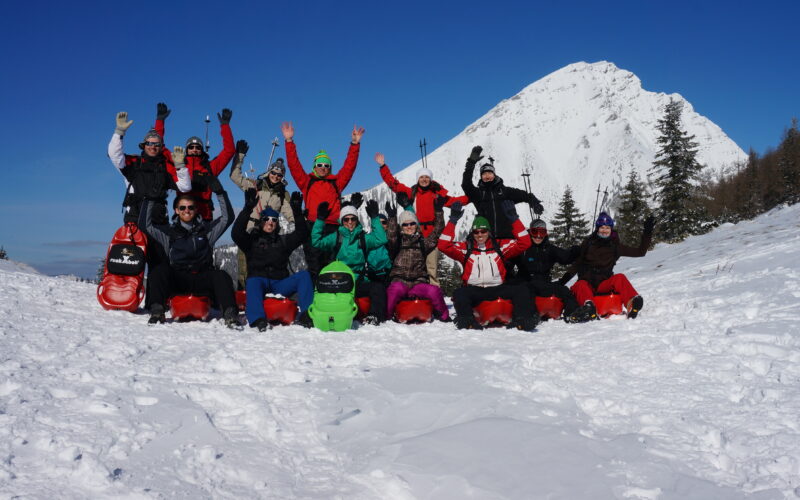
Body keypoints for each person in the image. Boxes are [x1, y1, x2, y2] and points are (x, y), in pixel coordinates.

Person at [108, 103, 191, 308]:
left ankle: (155, 302)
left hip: (157, 223)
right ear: (143, 145)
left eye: (157, 144)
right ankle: (123, 297)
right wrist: (119, 133)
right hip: (134, 221)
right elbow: (114, 156)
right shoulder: (133, 164)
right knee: (130, 262)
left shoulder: (165, 169)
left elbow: (184, 187)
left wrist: (180, 166)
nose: (153, 146)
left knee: (158, 264)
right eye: (150, 143)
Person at [139, 160, 237, 326]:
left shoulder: (206, 231)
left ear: (195, 210)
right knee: (158, 271)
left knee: (221, 275)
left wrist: (220, 192)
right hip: (178, 279)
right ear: (176, 210)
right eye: (182, 208)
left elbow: (228, 218)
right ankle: (157, 310)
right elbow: (145, 225)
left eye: (190, 207)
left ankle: (230, 313)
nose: (187, 211)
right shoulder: (169, 233)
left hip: (202, 278)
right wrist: (150, 198)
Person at [282, 121, 365, 276]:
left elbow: (349, 167)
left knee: (334, 267)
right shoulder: (307, 181)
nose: (323, 167)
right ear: (315, 166)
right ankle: (315, 297)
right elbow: (294, 165)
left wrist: (354, 144)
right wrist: (289, 142)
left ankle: (334, 298)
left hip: (334, 229)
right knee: (314, 266)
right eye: (320, 164)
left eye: (327, 165)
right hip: (313, 228)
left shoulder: (337, 182)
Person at [439, 201, 536, 330]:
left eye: (483, 231)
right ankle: (467, 320)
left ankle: (522, 319)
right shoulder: (466, 249)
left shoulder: (500, 246)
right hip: (475, 289)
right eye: (476, 232)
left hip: (497, 288)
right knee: (460, 293)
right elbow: (443, 245)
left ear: (488, 232)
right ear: (472, 233)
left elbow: (525, 242)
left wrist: (514, 219)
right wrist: (452, 221)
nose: (480, 235)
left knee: (522, 290)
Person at [376, 152, 468, 285]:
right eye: (421, 177)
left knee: (431, 269)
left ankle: (433, 295)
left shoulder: (437, 195)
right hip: (415, 236)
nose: (424, 179)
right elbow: (394, 185)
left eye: (426, 177)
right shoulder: (412, 193)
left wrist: (472, 197)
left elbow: (455, 201)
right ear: (417, 179)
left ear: (430, 179)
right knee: (414, 269)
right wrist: (383, 166)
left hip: (432, 236)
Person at [232, 188, 312, 331]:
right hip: (259, 282)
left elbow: (302, 234)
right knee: (253, 281)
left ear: (277, 224)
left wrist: (297, 211)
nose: (270, 222)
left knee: (304, 275)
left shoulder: (282, 241)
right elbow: (236, 233)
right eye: (266, 219)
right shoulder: (251, 241)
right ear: (261, 222)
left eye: (274, 220)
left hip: (280, 283)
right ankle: (257, 319)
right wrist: (247, 208)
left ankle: (307, 314)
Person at [560, 212, 655, 319]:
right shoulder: (588, 243)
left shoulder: (615, 247)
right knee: (580, 285)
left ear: (611, 229)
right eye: (602, 227)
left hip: (604, 284)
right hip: (587, 284)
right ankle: (589, 307)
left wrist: (647, 232)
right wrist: (562, 282)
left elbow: (640, 252)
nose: (604, 230)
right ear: (597, 228)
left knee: (620, 278)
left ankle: (632, 302)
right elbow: (577, 265)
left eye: (607, 228)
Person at [310, 199, 388, 325]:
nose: (350, 222)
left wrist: (374, 218)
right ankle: (315, 314)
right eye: (346, 219)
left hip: (358, 280)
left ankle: (375, 315)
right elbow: (316, 242)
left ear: (357, 220)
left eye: (353, 219)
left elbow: (381, 239)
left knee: (377, 287)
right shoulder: (336, 237)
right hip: (339, 281)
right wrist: (320, 220)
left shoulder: (363, 238)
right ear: (342, 221)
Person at [229, 139, 293, 289]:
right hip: (250, 228)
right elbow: (235, 176)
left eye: (279, 174)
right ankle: (244, 291)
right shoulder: (255, 185)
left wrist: (303, 222)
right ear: (269, 171)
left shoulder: (282, 195)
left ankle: (265, 290)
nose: (276, 176)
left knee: (265, 264)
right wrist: (239, 156)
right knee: (244, 264)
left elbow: (290, 215)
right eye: (274, 172)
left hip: (269, 234)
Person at [384, 196, 449, 321]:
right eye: (405, 224)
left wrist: (439, 212)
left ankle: (443, 316)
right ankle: (386, 315)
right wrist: (392, 218)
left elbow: (437, 232)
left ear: (416, 225)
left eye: (412, 223)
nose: (409, 226)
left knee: (434, 291)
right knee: (395, 290)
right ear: (401, 227)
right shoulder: (397, 242)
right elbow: (391, 236)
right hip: (400, 280)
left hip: (418, 282)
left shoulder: (423, 242)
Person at [509, 220, 587, 322]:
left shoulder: (549, 249)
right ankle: (525, 316)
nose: (538, 236)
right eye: (534, 232)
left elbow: (565, 257)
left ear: (545, 234)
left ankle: (573, 313)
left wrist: (576, 250)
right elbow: (509, 261)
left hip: (543, 284)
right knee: (519, 292)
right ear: (529, 232)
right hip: (525, 283)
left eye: (542, 233)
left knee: (563, 290)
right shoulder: (523, 248)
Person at [461, 146, 544, 239]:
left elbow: (525, 195)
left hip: (507, 238)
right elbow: (466, 185)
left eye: (489, 173)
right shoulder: (478, 194)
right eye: (484, 174)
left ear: (494, 174)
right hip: (487, 240)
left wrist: (535, 202)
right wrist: (471, 163)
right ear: (481, 177)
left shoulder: (505, 191)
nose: (487, 176)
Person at [182, 108, 236, 221]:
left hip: (204, 218)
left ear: (202, 150)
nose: (194, 150)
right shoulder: (179, 167)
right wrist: (160, 121)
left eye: (198, 147)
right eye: (191, 147)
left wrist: (225, 126)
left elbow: (229, 151)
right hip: (183, 217)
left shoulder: (210, 167)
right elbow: (159, 149)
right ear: (186, 150)